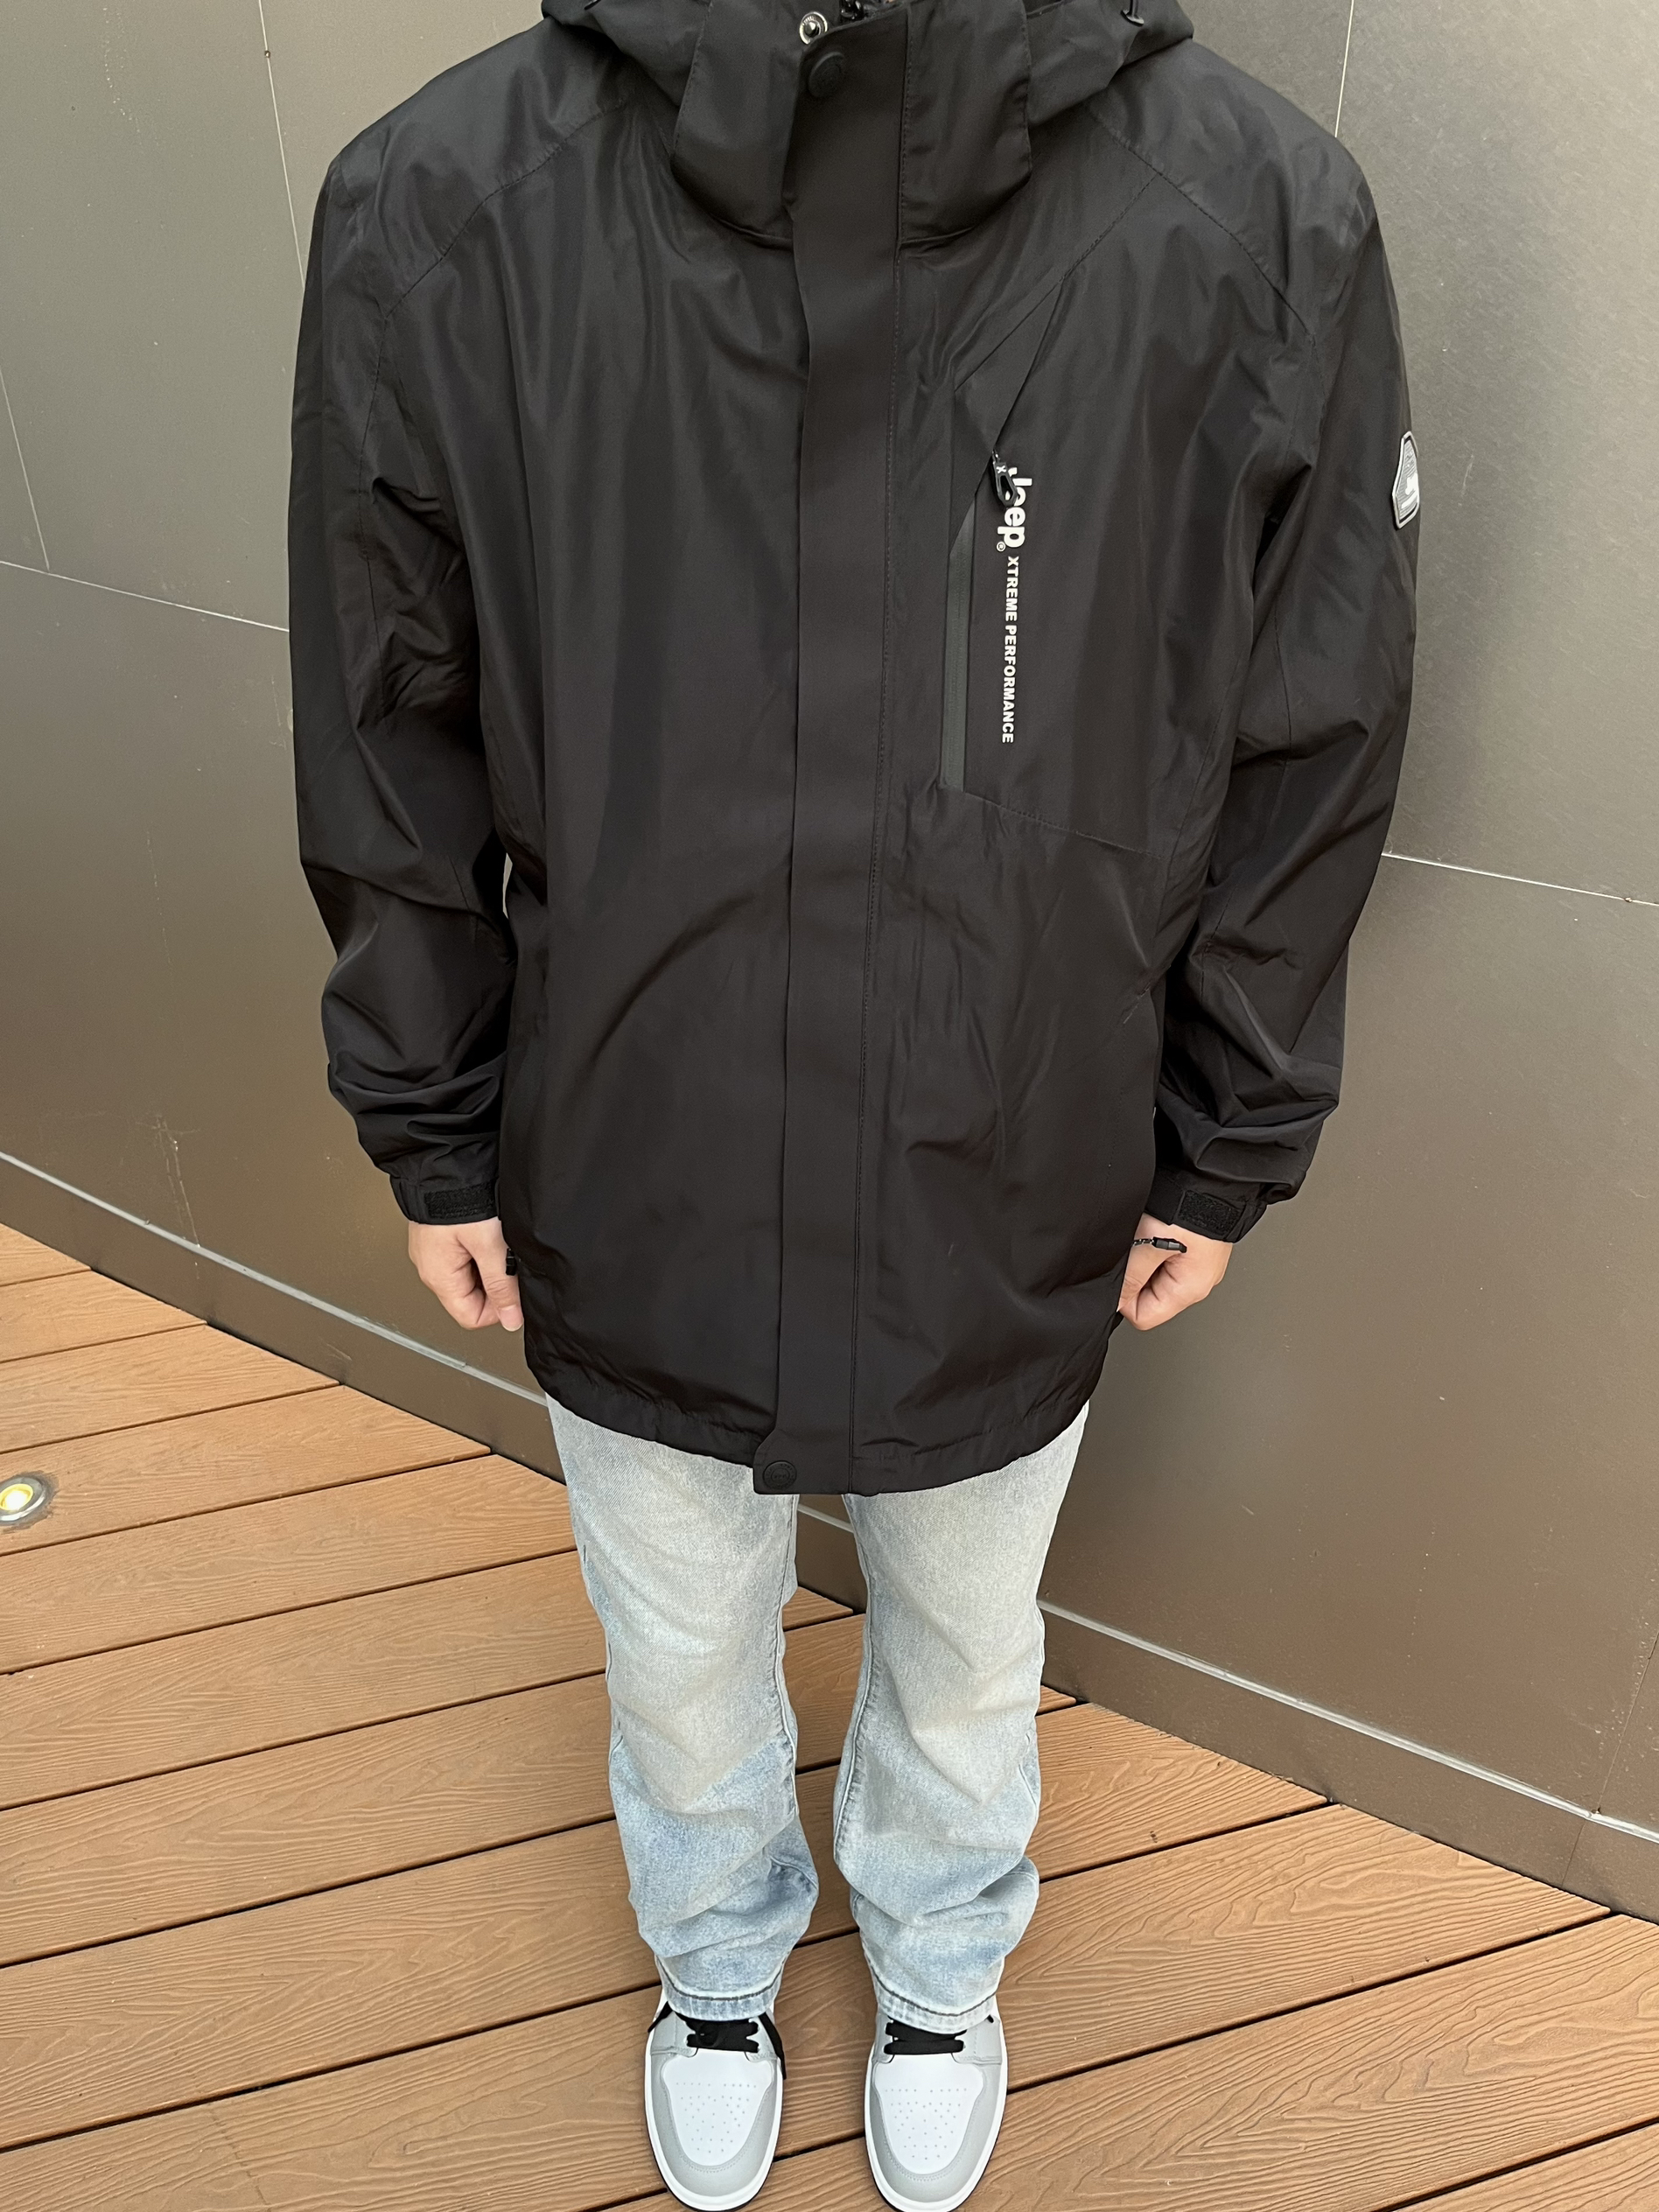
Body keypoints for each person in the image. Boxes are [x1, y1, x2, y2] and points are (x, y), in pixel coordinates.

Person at [289, 0, 1417, 2201]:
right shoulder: (448, 198)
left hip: (1013, 1124)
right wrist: (428, 1111)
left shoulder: (1249, 210)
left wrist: (1230, 1127)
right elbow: (382, 702)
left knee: (971, 1641)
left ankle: (938, 1956)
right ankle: (715, 1957)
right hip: (634, 1125)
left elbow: (1318, 715)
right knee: (675, 1636)